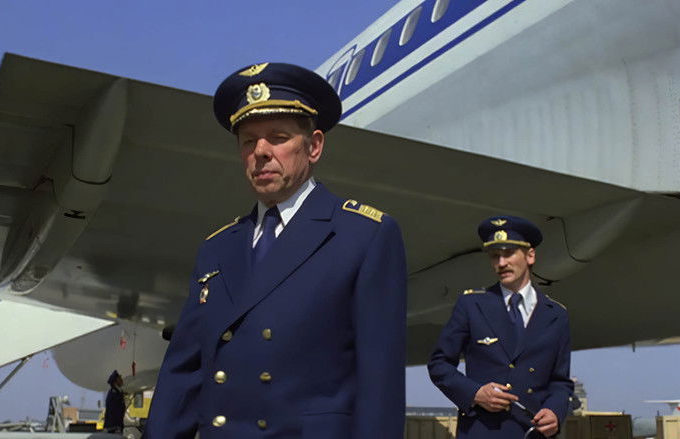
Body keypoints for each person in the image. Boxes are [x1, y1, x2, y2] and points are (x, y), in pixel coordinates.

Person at [144, 62, 407, 438]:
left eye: (278, 137)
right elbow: (182, 374)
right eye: (248, 141)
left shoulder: (362, 235)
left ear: (314, 146)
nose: (261, 152)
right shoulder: (217, 248)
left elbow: (380, 384)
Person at [428, 216, 573, 438]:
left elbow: (560, 382)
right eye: (495, 256)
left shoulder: (556, 315)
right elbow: (439, 364)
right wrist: (475, 393)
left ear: (530, 255)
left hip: (532, 432)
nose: (501, 263)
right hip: (482, 430)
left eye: (508, 253)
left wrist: (555, 412)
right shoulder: (472, 305)